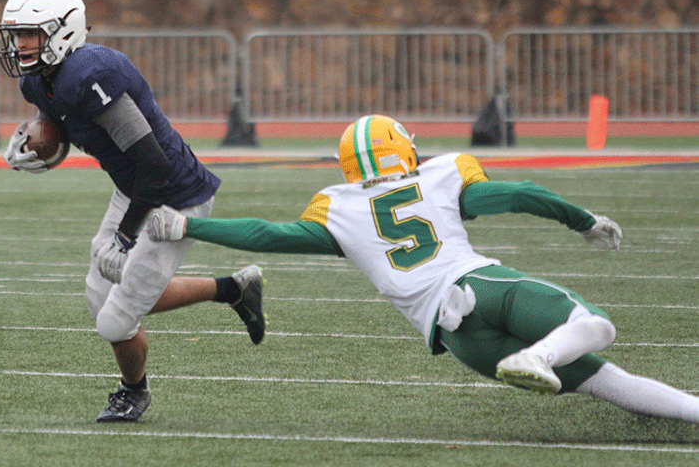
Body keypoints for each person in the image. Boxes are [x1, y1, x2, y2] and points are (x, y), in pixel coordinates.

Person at [146, 114, 699, 423]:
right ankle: (541, 354)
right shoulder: (441, 175)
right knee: (598, 326)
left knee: (607, 384)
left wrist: (190, 227)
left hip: (455, 338)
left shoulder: (340, 207)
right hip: (478, 286)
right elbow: (522, 192)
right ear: (402, 149)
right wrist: (582, 221)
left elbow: (267, 235)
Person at [0, 0, 265, 423]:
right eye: (17, 34)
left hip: (175, 197)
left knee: (115, 321)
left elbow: (156, 168)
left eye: (32, 33)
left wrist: (123, 238)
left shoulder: (91, 75)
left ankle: (132, 392)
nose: (21, 45)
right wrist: (39, 145)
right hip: (136, 187)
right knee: (102, 298)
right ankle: (234, 288)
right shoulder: (38, 82)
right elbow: (60, 118)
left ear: (64, 30)